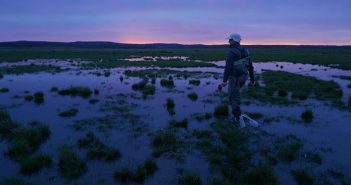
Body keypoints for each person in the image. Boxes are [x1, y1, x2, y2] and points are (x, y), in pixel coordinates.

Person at [221, 33, 255, 124]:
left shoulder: (232, 52)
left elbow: (228, 67)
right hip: (244, 77)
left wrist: (224, 81)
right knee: (236, 95)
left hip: (234, 78)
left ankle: (237, 118)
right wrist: (252, 80)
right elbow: (250, 66)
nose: (228, 41)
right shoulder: (246, 51)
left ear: (234, 40)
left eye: (230, 39)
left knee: (233, 97)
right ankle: (237, 115)